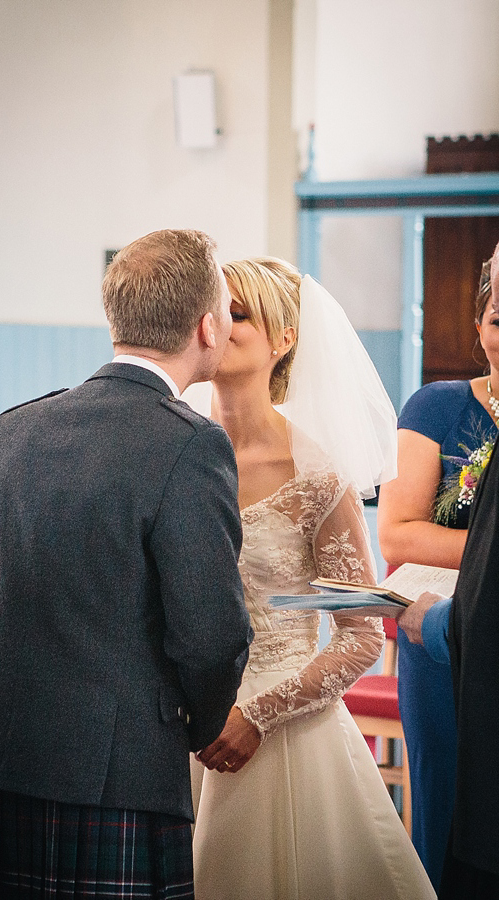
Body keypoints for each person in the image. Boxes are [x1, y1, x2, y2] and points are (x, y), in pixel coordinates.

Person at [0, 229, 254, 899]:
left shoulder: (12, 426)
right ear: (206, 325)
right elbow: (210, 634)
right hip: (121, 770)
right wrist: (200, 725)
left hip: (4, 753)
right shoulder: (192, 443)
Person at [188, 257, 435, 900]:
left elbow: (359, 634)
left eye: (239, 314)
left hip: (280, 732)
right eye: (214, 312)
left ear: (285, 339)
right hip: (177, 725)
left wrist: (258, 715)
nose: (219, 325)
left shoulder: (316, 472)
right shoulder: (176, 453)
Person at [377, 257, 498, 889]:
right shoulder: (437, 406)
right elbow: (397, 532)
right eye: (497, 318)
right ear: (479, 327)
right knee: (445, 802)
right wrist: (486, 553)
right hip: (440, 633)